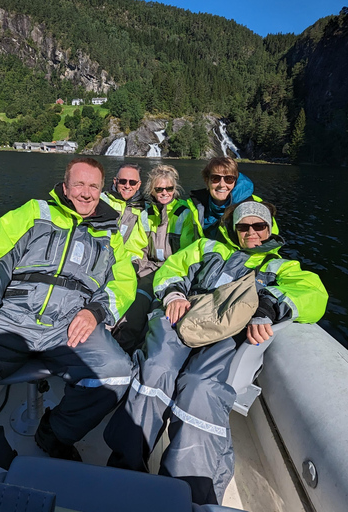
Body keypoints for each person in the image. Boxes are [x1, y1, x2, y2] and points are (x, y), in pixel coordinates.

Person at [0, 158, 137, 469]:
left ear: (101, 190)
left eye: (94, 186)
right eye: (80, 184)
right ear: (66, 186)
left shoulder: (111, 233)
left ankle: (55, 432)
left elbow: (123, 281)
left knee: (115, 372)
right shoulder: (33, 212)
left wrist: (96, 311)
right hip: (12, 315)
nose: (86, 193)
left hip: (71, 322)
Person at [104, 199, 328, 505]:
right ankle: (124, 468)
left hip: (229, 333)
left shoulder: (281, 266)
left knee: (200, 387)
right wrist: (173, 294)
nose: (251, 232)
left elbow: (313, 294)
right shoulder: (207, 246)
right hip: (182, 316)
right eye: (244, 226)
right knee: (156, 369)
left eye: (259, 226)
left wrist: (266, 308)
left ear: (269, 229)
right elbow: (172, 269)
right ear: (234, 229)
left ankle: (188, 492)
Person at [111, 165, 198, 353]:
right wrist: (134, 269)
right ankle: (119, 344)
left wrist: (166, 273)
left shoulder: (184, 213)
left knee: (150, 304)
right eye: (159, 189)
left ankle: (135, 347)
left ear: (175, 190)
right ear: (152, 190)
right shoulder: (146, 214)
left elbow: (186, 253)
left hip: (173, 272)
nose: (164, 193)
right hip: (148, 268)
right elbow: (136, 247)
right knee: (132, 297)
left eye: (169, 189)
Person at [188, 156, 277, 241]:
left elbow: (268, 244)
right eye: (215, 178)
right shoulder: (194, 205)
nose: (222, 184)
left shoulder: (256, 206)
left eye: (229, 179)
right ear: (207, 181)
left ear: (235, 182)